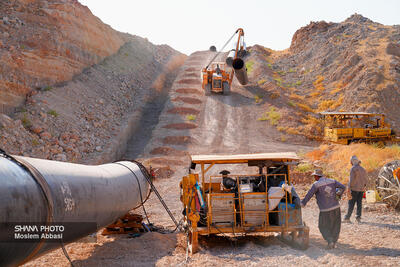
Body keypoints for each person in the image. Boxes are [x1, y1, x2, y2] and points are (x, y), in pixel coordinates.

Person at [301, 169, 346, 249]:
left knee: (322, 226)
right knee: (336, 225)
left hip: (325, 210)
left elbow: (309, 194)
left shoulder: (316, 184)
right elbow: (343, 187)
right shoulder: (332, 181)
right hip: (336, 207)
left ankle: (330, 240)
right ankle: (333, 242)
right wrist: (338, 196)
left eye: (314, 176)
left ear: (316, 176)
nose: (314, 178)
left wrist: (303, 203)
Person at [343, 155, 368, 223]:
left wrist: (349, 188)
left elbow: (351, 180)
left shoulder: (353, 168)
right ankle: (358, 218)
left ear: (352, 162)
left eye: (350, 161)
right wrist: (364, 187)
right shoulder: (363, 169)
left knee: (351, 203)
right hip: (361, 189)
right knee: (359, 204)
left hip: (354, 189)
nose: (350, 163)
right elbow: (366, 180)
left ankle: (347, 218)